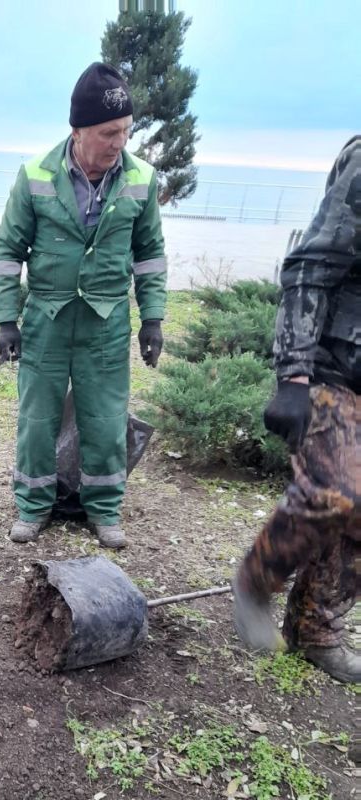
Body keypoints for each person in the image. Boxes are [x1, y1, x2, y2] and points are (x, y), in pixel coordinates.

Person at [0, 63, 167, 548]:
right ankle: (32, 506)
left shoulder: (140, 180)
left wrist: (152, 317)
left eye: (126, 132)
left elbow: (150, 255)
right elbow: (8, 252)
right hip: (46, 318)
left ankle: (105, 511)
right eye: (109, 132)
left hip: (106, 322)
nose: (118, 143)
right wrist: (6, 320)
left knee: (106, 420)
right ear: (79, 130)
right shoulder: (34, 177)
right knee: (37, 420)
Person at [231, 136, 359, 684]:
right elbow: (310, 263)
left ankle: (317, 630)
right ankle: (257, 578)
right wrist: (295, 376)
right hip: (334, 359)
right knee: (338, 490)